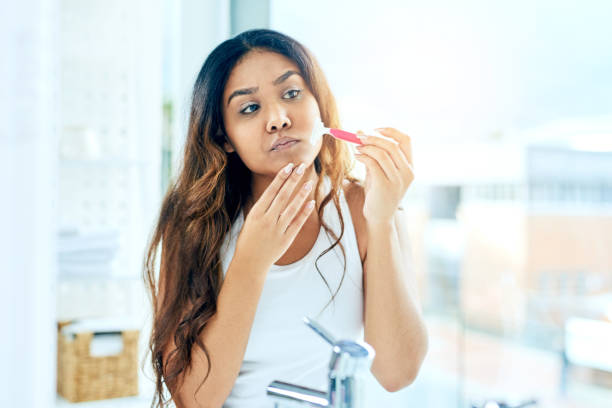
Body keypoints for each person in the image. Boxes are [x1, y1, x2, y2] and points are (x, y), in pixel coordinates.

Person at [143, 28, 428, 408]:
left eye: (291, 93)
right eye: (249, 108)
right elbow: (194, 401)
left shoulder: (368, 205)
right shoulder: (192, 222)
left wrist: (381, 220)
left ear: (321, 108)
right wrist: (251, 260)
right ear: (224, 137)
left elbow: (397, 374)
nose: (278, 119)